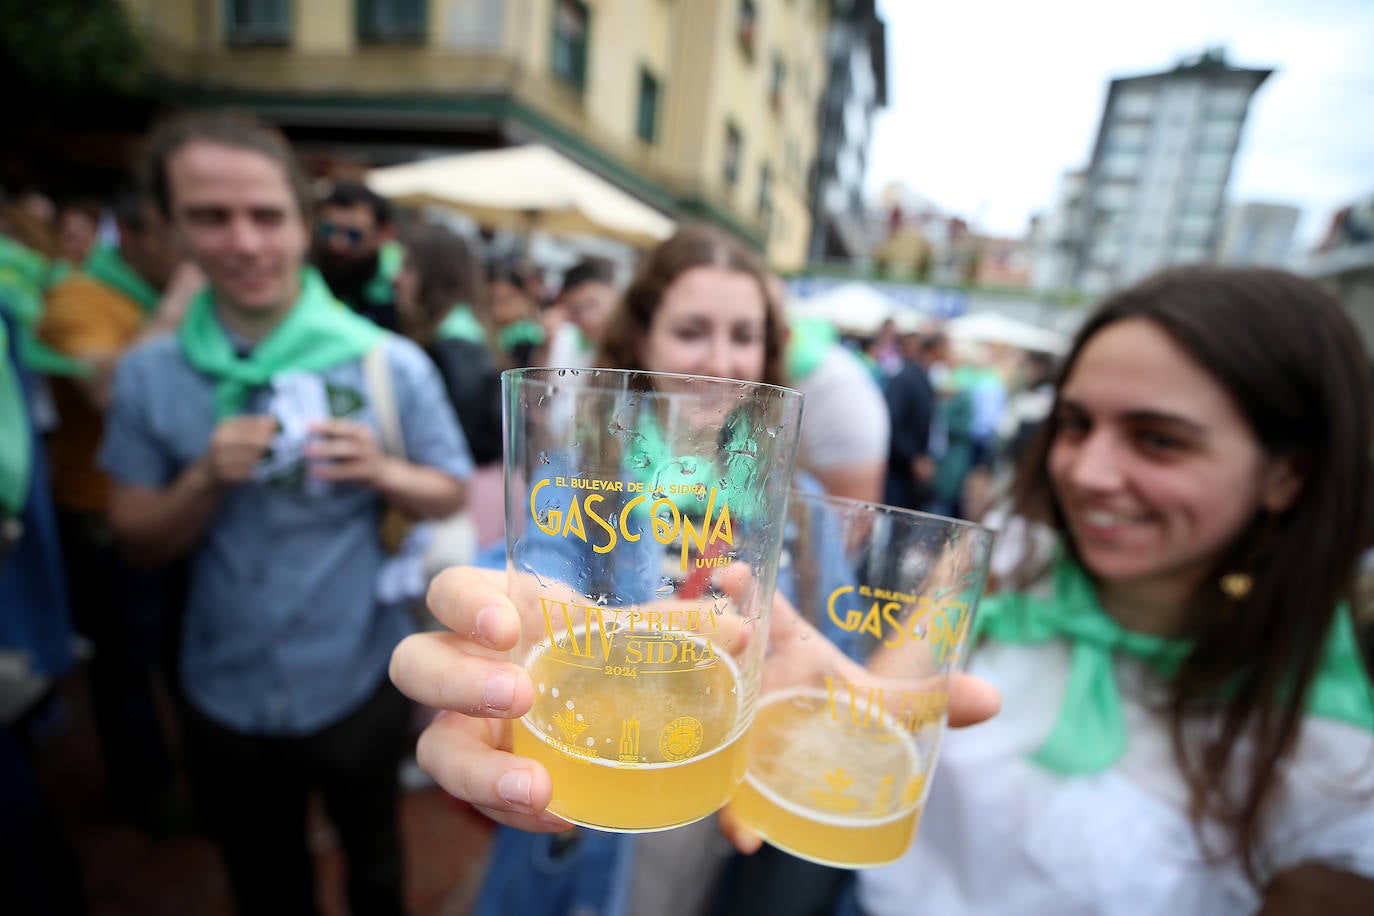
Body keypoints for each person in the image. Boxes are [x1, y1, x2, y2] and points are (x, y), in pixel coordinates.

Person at [389, 225, 1002, 916]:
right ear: (642, 339)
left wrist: (845, 705)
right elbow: (537, 572)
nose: (719, 360)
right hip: (600, 801)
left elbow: (835, 654)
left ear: (768, 352)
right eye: (691, 331)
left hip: (722, 813)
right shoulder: (591, 469)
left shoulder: (797, 507)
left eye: (743, 335)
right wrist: (487, 628)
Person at [856, 266, 1374, 914]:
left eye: (1158, 440)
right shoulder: (1009, 553)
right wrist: (808, 694)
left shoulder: (1332, 752)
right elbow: (869, 732)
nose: (1087, 472)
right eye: (1075, 424)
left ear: (1286, 475)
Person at [99, 109, 474, 915]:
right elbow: (132, 537)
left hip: (355, 674)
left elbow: (449, 487)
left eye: (266, 215)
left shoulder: (388, 363)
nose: (244, 242)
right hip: (217, 685)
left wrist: (381, 471)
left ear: (304, 224)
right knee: (262, 878)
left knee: (376, 864)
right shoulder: (149, 376)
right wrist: (202, 478)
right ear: (168, 230)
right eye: (210, 216)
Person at [38, 186, 202, 832]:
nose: (194, 250)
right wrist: (179, 303)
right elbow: (105, 388)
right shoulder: (78, 296)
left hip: (176, 506)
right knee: (127, 665)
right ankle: (148, 795)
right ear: (131, 236)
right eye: (179, 234)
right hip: (103, 514)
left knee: (179, 652)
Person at [312, 181, 403, 331]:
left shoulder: (400, 282)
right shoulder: (302, 274)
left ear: (385, 234)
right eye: (327, 230)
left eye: (353, 235)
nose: (337, 244)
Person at [544, 256, 619, 368]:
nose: (589, 317)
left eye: (593, 305)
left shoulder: (629, 343)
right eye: (576, 310)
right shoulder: (565, 338)